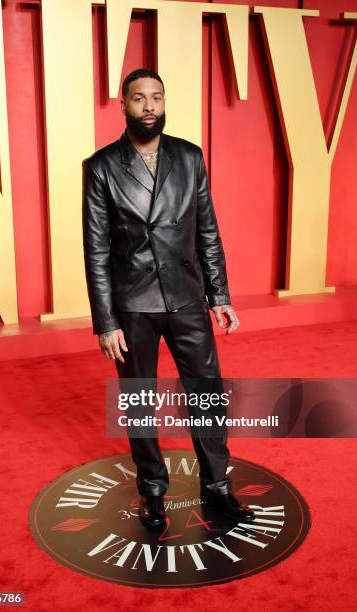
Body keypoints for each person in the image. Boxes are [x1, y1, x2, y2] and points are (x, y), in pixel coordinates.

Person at [82, 67, 254, 528]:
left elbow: (207, 231)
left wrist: (219, 294)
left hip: (186, 299)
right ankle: (152, 491)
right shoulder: (100, 167)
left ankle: (217, 486)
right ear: (123, 104)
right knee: (137, 402)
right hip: (132, 304)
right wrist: (105, 321)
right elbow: (95, 249)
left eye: (157, 97)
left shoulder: (190, 157)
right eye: (139, 99)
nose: (149, 106)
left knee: (207, 396)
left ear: (164, 101)